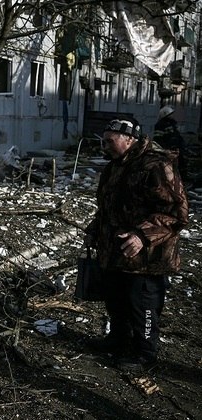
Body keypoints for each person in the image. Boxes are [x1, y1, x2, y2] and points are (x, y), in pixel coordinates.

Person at [84, 117, 188, 372]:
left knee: (142, 305)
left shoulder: (156, 165)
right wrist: (94, 231)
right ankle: (119, 340)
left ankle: (144, 354)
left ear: (129, 139)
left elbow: (176, 212)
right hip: (116, 252)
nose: (104, 145)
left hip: (148, 257)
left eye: (110, 140)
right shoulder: (115, 166)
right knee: (115, 299)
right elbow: (107, 208)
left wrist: (142, 236)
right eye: (103, 140)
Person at [154, 105, 187, 178]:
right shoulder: (160, 125)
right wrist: (165, 150)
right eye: (170, 114)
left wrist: (182, 146)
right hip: (168, 150)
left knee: (181, 164)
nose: (172, 116)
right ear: (166, 114)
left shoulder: (173, 124)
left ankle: (182, 178)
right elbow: (158, 139)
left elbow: (177, 137)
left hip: (177, 149)